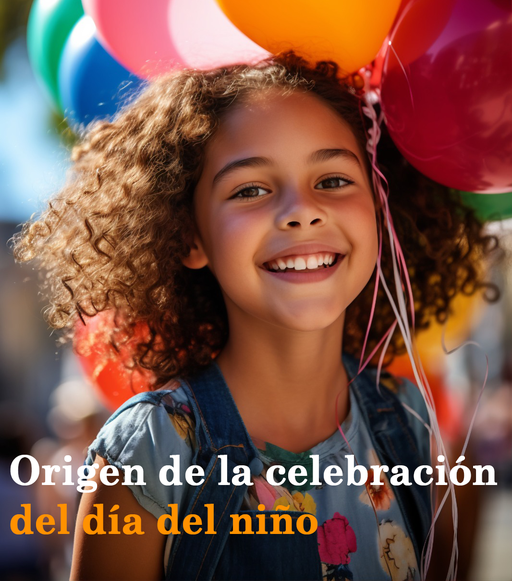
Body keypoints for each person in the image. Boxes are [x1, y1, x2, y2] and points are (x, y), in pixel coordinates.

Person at [13, 53, 497, 581]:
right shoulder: (146, 454)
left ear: (381, 210)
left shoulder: (419, 435)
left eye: (333, 179)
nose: (301, 210)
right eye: (250, 190)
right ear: (190, 237)